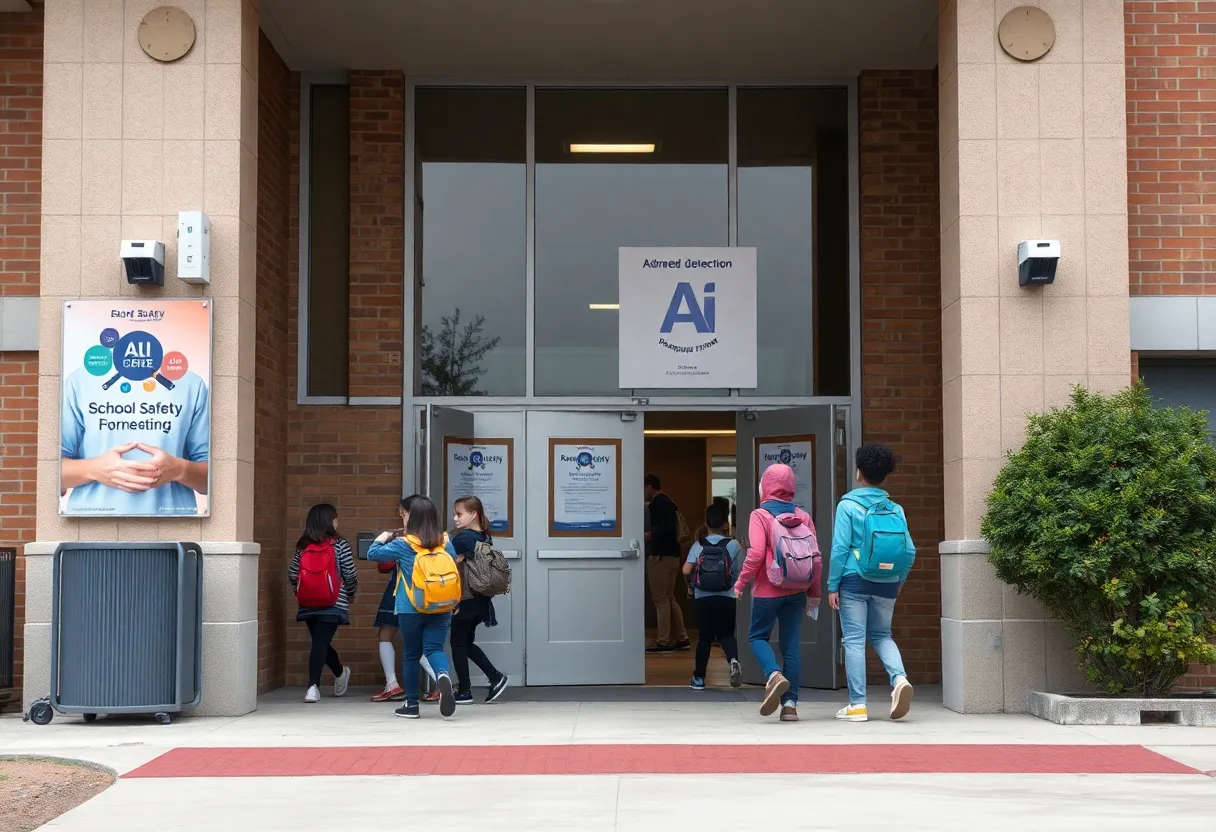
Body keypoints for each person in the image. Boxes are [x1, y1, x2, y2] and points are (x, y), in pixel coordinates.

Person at [828, 444, 916, 723]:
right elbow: (909, 551)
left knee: (854, 640)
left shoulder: (847, 505)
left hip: (854, 580)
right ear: (885, 475)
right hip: (888, 582)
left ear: (858, 472)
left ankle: (857, 705)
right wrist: (898, 581)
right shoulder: (896, 509)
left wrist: (832, 585)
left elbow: (840, 549)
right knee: (882, 635)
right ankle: (899, 679)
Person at [733, 464, 817, 722]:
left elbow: (756, 553)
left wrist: (740, 583)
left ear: (765, 486)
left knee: (757, 636)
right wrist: (814, 593)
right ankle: (790, 706)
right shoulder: (803, 516)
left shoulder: (759, 515)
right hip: (797, 589)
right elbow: (816, 557)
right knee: (791, 646)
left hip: (767, 589)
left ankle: (773, 674)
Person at [367, 496, 458, 719]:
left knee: (411, 655)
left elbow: (372, 553)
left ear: (412, 518)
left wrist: (384, 535)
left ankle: (411, 705)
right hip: (441, 604)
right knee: (434, 649)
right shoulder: (445, 541)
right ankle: (442, 675)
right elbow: (454, 564)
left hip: (410, 607)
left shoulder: (403, 544)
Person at [371, 495, 439, 703]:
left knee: (391, 635)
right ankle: (441, 680)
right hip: (433, 593)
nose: (402, 518)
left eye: (403, 514)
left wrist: (385, 537)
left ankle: (393, 684)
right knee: (423, 642)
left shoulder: (403, 540)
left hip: (402, 591)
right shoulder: (439, 538)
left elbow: (379, 559)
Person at [288, 503, 358, 703]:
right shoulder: (340, 544)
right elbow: (350, 574)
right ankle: (329, 678)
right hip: (334, 603)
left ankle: (316, 684)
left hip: (308, 603)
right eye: (335, 518)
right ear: (330, 521)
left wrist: (301, 591)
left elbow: (292, 574)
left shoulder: (303, 545)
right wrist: (350, 594)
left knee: (319, 642)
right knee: (321, 642)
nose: (337, 522)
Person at [447, 496, 509, 705]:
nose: (455, 518)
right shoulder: (484, 536)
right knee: (466, 642)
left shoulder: (462, 539)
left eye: (459, 514)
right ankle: (495, 677)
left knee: (457, 642)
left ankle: (465, 691)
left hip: (465, 598)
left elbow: (447, 564)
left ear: (473, 514)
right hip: (480, 599)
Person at [682, 501, 744, 690]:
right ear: (725, 524)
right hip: (727, 596)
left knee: (705, 638)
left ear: (706, 523)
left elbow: (686, 570)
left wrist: (690, 586)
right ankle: (733, 661)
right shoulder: (734, 545)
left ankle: (699, 678)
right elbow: (742, 569)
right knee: (726, 634)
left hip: (703, 597)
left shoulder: (698, 545)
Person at [644, 473, 689, 652]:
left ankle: (663, 640)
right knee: (669, 598)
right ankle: (682, 637)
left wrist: (644, 535)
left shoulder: (657, 504)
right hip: (674, 556)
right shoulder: (670, 502)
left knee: (660, 599)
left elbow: (657, 531)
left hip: (660, 557)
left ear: (649, 487)